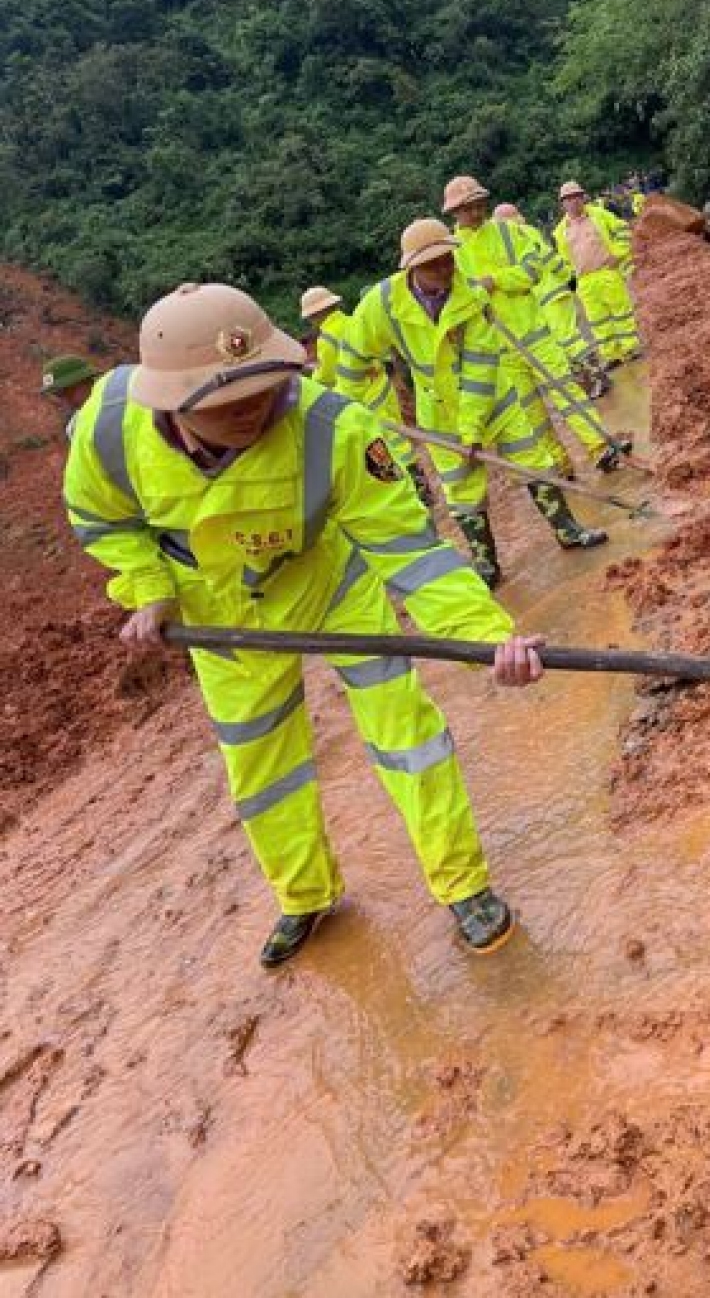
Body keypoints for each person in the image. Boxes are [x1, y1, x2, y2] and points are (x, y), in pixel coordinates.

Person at [63, 282, 543, 967]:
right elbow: (101, 521)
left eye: (262, 387)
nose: (254, 410)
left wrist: (488, 637)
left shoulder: (333, 428)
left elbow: (413, 552)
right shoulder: (108, 429)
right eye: (226, 403)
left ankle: (465, 885)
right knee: (263, 766)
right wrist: (150, 589)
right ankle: (306, 894)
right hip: (219, 614)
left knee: (406, 734)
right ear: (171, 401)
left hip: (326, 584)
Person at [336, 219, 607, 588]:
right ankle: (486, 564)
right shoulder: (382, 305)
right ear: (412, 267)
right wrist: (348, 410)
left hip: (493, 400)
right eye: (434, 264)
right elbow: (352, 355)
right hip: (437, 414)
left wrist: (471, 432)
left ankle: (568, 529)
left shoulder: (470, 297)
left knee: (533, 462)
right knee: (461, 491)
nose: (445, 269)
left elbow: (481, 368)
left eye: (448, 259)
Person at [443, 177, 631, 468]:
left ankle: (599, 447)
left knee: (567, 391)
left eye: (479, 205)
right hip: (499, 347)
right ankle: (559, 464)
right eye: (468, 209)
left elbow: (532, 270)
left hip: (534, 333)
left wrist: (496, 281)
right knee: (531, 414)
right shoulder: (452, 255)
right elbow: (455, 301)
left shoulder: (508, 233)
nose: (476, 213)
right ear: (454, 212)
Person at [299, 286, 432, 507]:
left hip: (361, 397)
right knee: (398, 440)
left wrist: (309, 386)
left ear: (313, 316)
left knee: (378, 447)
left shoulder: (327, 339)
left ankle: (408, 496)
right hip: (381, 386)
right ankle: (421, 489)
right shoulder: (354, 322)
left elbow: (325, 376)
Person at [494, 202, 610, 401]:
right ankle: (590, 382)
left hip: (549, 296)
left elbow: (546, 259)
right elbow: (550, 259)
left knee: (569, 341)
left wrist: (567, 277)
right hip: (549, 296)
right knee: (566, 342)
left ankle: (596, 380)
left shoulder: (516, 236)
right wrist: (568, 278)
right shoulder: (523, 232)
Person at [553, 182, 642, 369]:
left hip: (606, 272)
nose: (574, 201)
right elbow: (563, 259)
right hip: (584, 281)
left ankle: (631, 348)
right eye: (569, 199)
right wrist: (571, 279)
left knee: (621, 312)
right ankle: (612, 355)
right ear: (563, 204)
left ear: (583, 197)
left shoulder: (599, 215)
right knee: (597, 320)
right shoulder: (560, 231)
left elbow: (623, 229)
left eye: (577, 196)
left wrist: (618, 254)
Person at [40, 354, 101, 440]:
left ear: (88, 382)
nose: (62, 401)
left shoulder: (120, 410)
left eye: (67, 391)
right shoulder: (75, 427)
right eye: (56, 394)